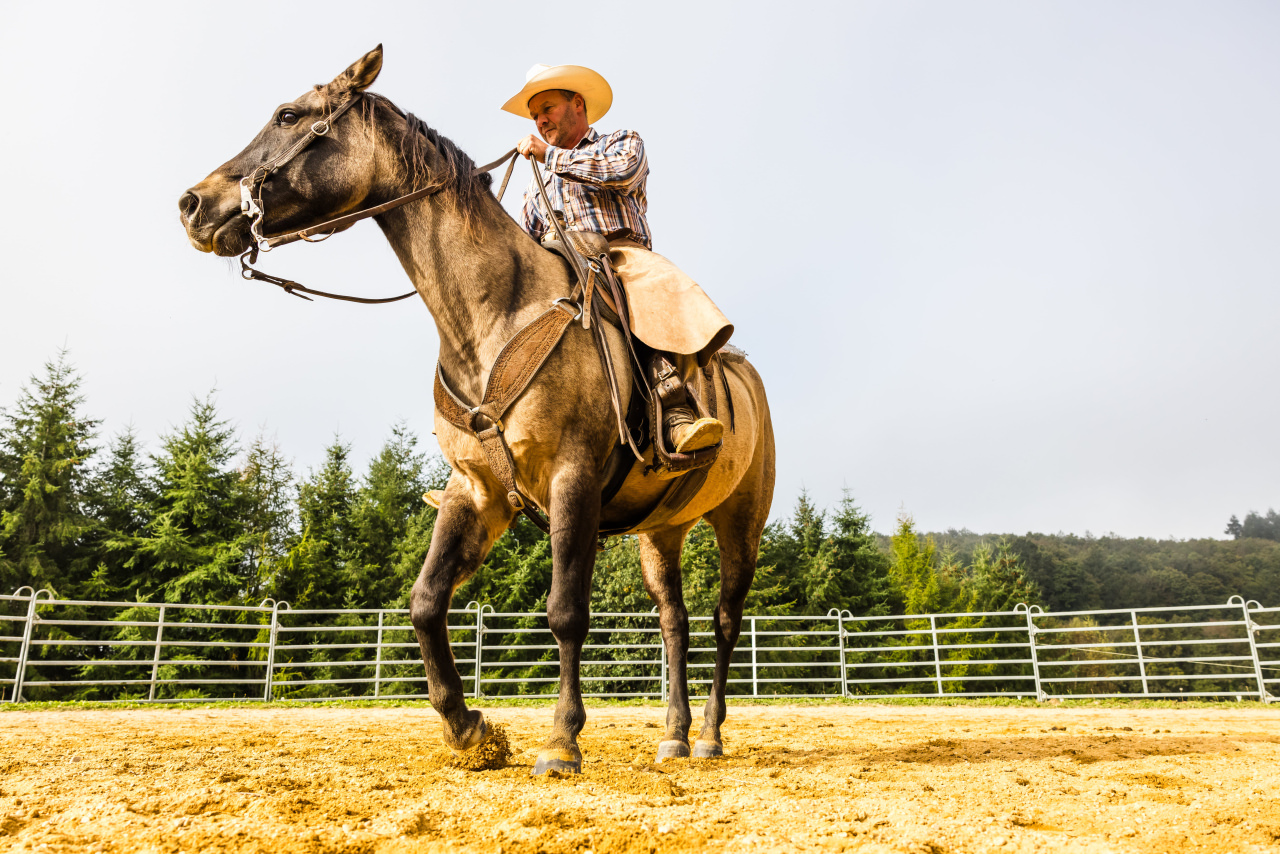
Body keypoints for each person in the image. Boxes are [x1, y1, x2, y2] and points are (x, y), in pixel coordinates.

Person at [504, 64, 734, 456]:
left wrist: (552, 157)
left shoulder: (621, 141)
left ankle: (675, 406)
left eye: (548, 108)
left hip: (618, 254)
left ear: (577, 103)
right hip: (560, 268)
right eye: (535, 116)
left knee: (649, 288)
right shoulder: (534, 184)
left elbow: (622, 173)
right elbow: (526, 238)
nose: (541, 120)